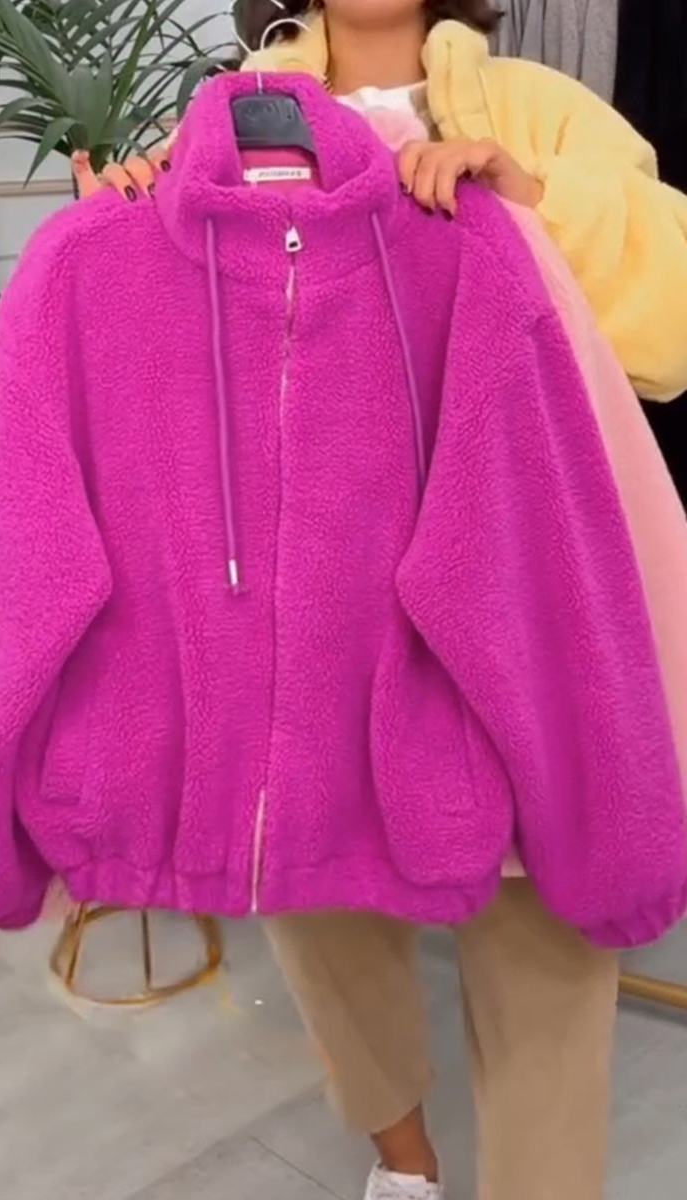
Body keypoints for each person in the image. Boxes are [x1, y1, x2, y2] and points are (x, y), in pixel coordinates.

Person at [72, 3, 687, 1198]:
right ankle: (400, 1160)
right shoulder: (223, 124)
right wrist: (133, 220)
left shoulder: (538, 107)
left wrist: (531, 200)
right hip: (305, 592)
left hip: (513, 567)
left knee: (544, 925)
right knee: (311, 891)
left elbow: (667, 309)